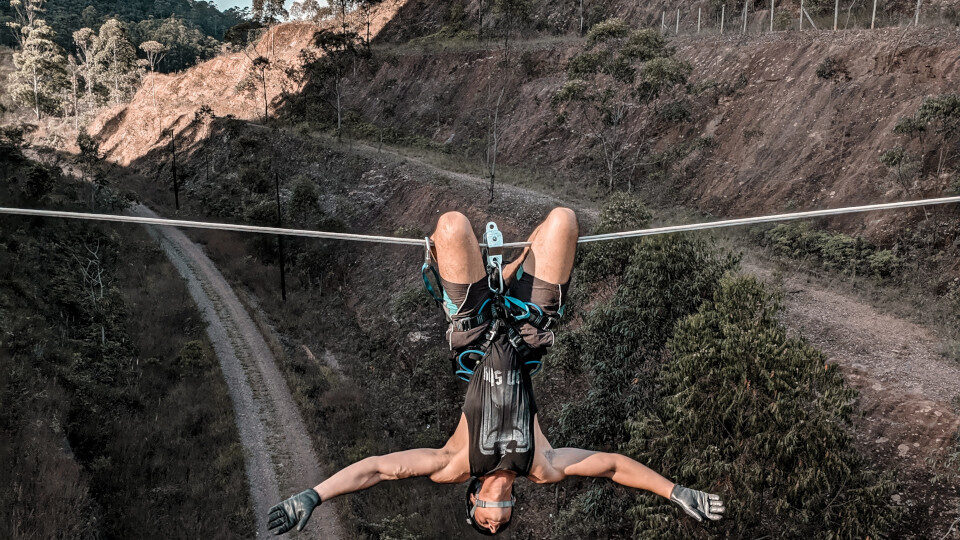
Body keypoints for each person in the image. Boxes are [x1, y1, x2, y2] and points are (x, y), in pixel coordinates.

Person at [268, 208, 725, 536]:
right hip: (529, 330)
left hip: (475, 330)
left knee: (451, 226)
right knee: (565, 220)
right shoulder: (541, 466)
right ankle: (506, 273)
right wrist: (675, 492)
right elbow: (610, 466)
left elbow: (377, 470)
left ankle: (487, 280)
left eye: (484, 519)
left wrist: (313, 496)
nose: (495, 520)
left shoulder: (455, 464)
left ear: (472, 498)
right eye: (499, 524)